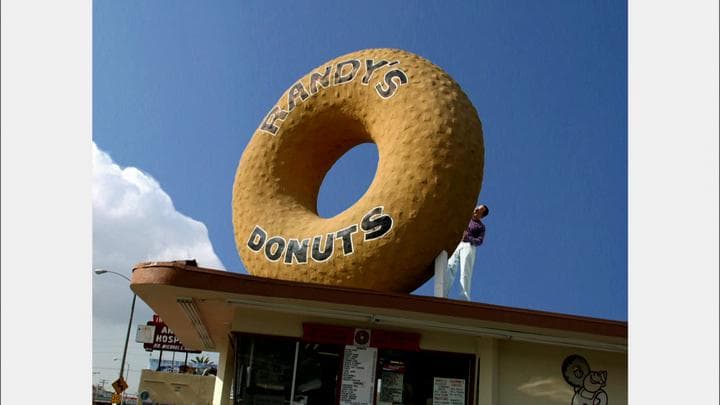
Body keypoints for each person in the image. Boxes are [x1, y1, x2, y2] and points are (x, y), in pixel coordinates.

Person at [444, 204, 488, 300]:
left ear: (482, 215)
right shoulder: (466, 217)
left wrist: (469, 238)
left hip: (468, 246)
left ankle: (464, 295)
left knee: (465, 270)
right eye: (477, 207)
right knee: (450, 266)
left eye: (480, 210)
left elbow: (480, 241)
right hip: (457, 243)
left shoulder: (481, 226)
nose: (477, 209)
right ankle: (443, 293)